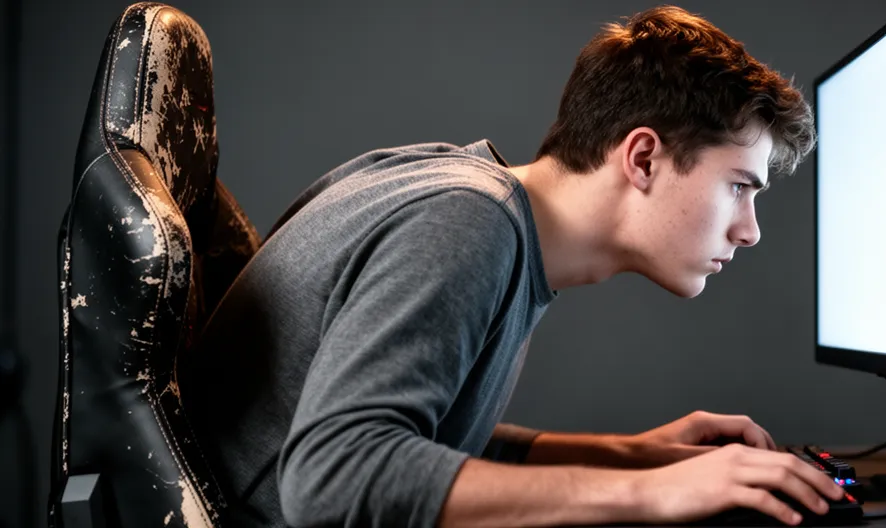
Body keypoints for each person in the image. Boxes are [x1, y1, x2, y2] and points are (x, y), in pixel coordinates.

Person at [186, 4, 845, 527]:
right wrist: (655, 493)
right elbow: (336, 475)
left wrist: (628, 456)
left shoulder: (463, 188)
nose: (750, 230)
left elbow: (422, 439)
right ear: (642, 159)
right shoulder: (465, 225)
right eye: (739, 186)